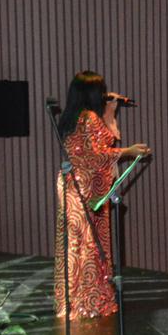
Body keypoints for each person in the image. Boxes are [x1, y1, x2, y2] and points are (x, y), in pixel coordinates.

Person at [54, 72, 150, 319]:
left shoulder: (70, 118)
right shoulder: (90, 119)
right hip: (90, 187)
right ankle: (92, 301)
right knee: (93, 246)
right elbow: (98, 154)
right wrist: (128, 149)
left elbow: (89, 150)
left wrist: (109, 112)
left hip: (72, 184)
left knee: (76, 245)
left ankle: (74, 300)